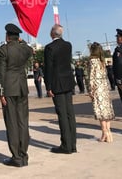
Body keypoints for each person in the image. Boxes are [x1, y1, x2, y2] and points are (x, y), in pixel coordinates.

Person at [0, 23, 33, 167]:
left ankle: (16, 157)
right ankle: (24, 154)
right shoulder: (25, 49)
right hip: (22, 87)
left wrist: (1, 92)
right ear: (18, 37)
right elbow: (29, 49)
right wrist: (21, 41)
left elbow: (1, 73)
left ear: (7, 36)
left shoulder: (3, 50)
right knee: (23, 122)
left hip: (9, 88)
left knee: (12, 123)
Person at [43, 24, 77, 154]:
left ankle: (66, 145)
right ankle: (73, 144)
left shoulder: (49, 48)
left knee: (62, 114)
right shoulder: (68, 45)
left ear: (52, 33)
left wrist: (48, 86)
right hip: (68, 82)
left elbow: (49, 68)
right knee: (70, 113)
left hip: (56, 83)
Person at [88, 43, 115, 143]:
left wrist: (91, 91)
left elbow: (91, 77)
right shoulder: (102, 61)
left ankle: (105, 132)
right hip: (104, 87)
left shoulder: (92, 61)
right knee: (106, 111)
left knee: (100, 111)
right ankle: (108, 133)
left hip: (97, 88)